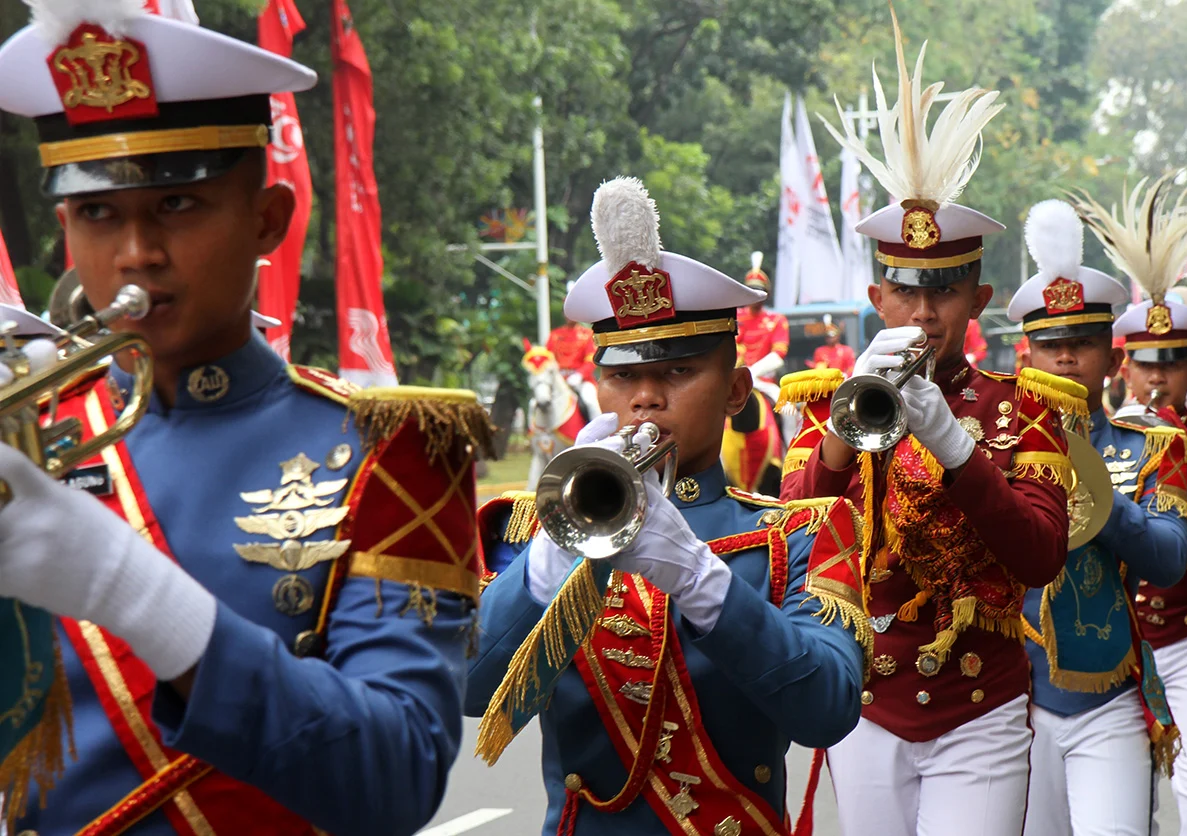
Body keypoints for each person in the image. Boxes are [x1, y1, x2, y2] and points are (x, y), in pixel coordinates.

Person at [0, 3, 491, 832]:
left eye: (178, 206)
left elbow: (398, 778)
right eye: (98, 214)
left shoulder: (388, 446)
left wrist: (133, 591)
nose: (135, 253)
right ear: (63, 226)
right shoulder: (32, 433)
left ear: (268, 218)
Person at [469, 177, 870, 835]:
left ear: (737, 389)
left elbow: (827, 708)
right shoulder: (528, 528)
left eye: (678, 373)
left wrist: (699, 578)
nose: (645, 399)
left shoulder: (799, 532)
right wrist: (549, 562)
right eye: (623, 376)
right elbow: (468, 691)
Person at [778, 10, 1078, 834]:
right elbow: (797, 529)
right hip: (869, 698)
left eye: (942, 291)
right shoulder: (825, 402)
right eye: (904, 291)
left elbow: (1040, 555)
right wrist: (846, 423)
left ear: (977, 301)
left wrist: (952, 439)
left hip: (978, 702)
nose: (922, 313)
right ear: (875, 299)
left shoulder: (1022, 411)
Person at [1008, 198, 1187, 836]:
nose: (1064, 359)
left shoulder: (1151, 446)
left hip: (1109, 699)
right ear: (1025, 357)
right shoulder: (989, 455)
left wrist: (1092, 487)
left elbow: (1168, 560)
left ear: (1112, 361)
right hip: (1006, 702)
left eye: (1081, 344)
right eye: (1050, 345)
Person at [1090, 180, 1187, 836]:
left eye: (1173, 363)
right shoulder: (1094, 439)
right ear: (1123, 367)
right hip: (1110, 629)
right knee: (1118, 787)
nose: (1157, 378)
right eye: (1146, 363)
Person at [735, 251, 790, 397]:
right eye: (751, 291)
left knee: (786, 408)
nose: (755, 296)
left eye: (759, 291)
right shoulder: (734, 316)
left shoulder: (776, 320)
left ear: (767, 294)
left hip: (762, 379)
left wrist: (751, 373)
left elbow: (779, 354)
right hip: (733, 379)